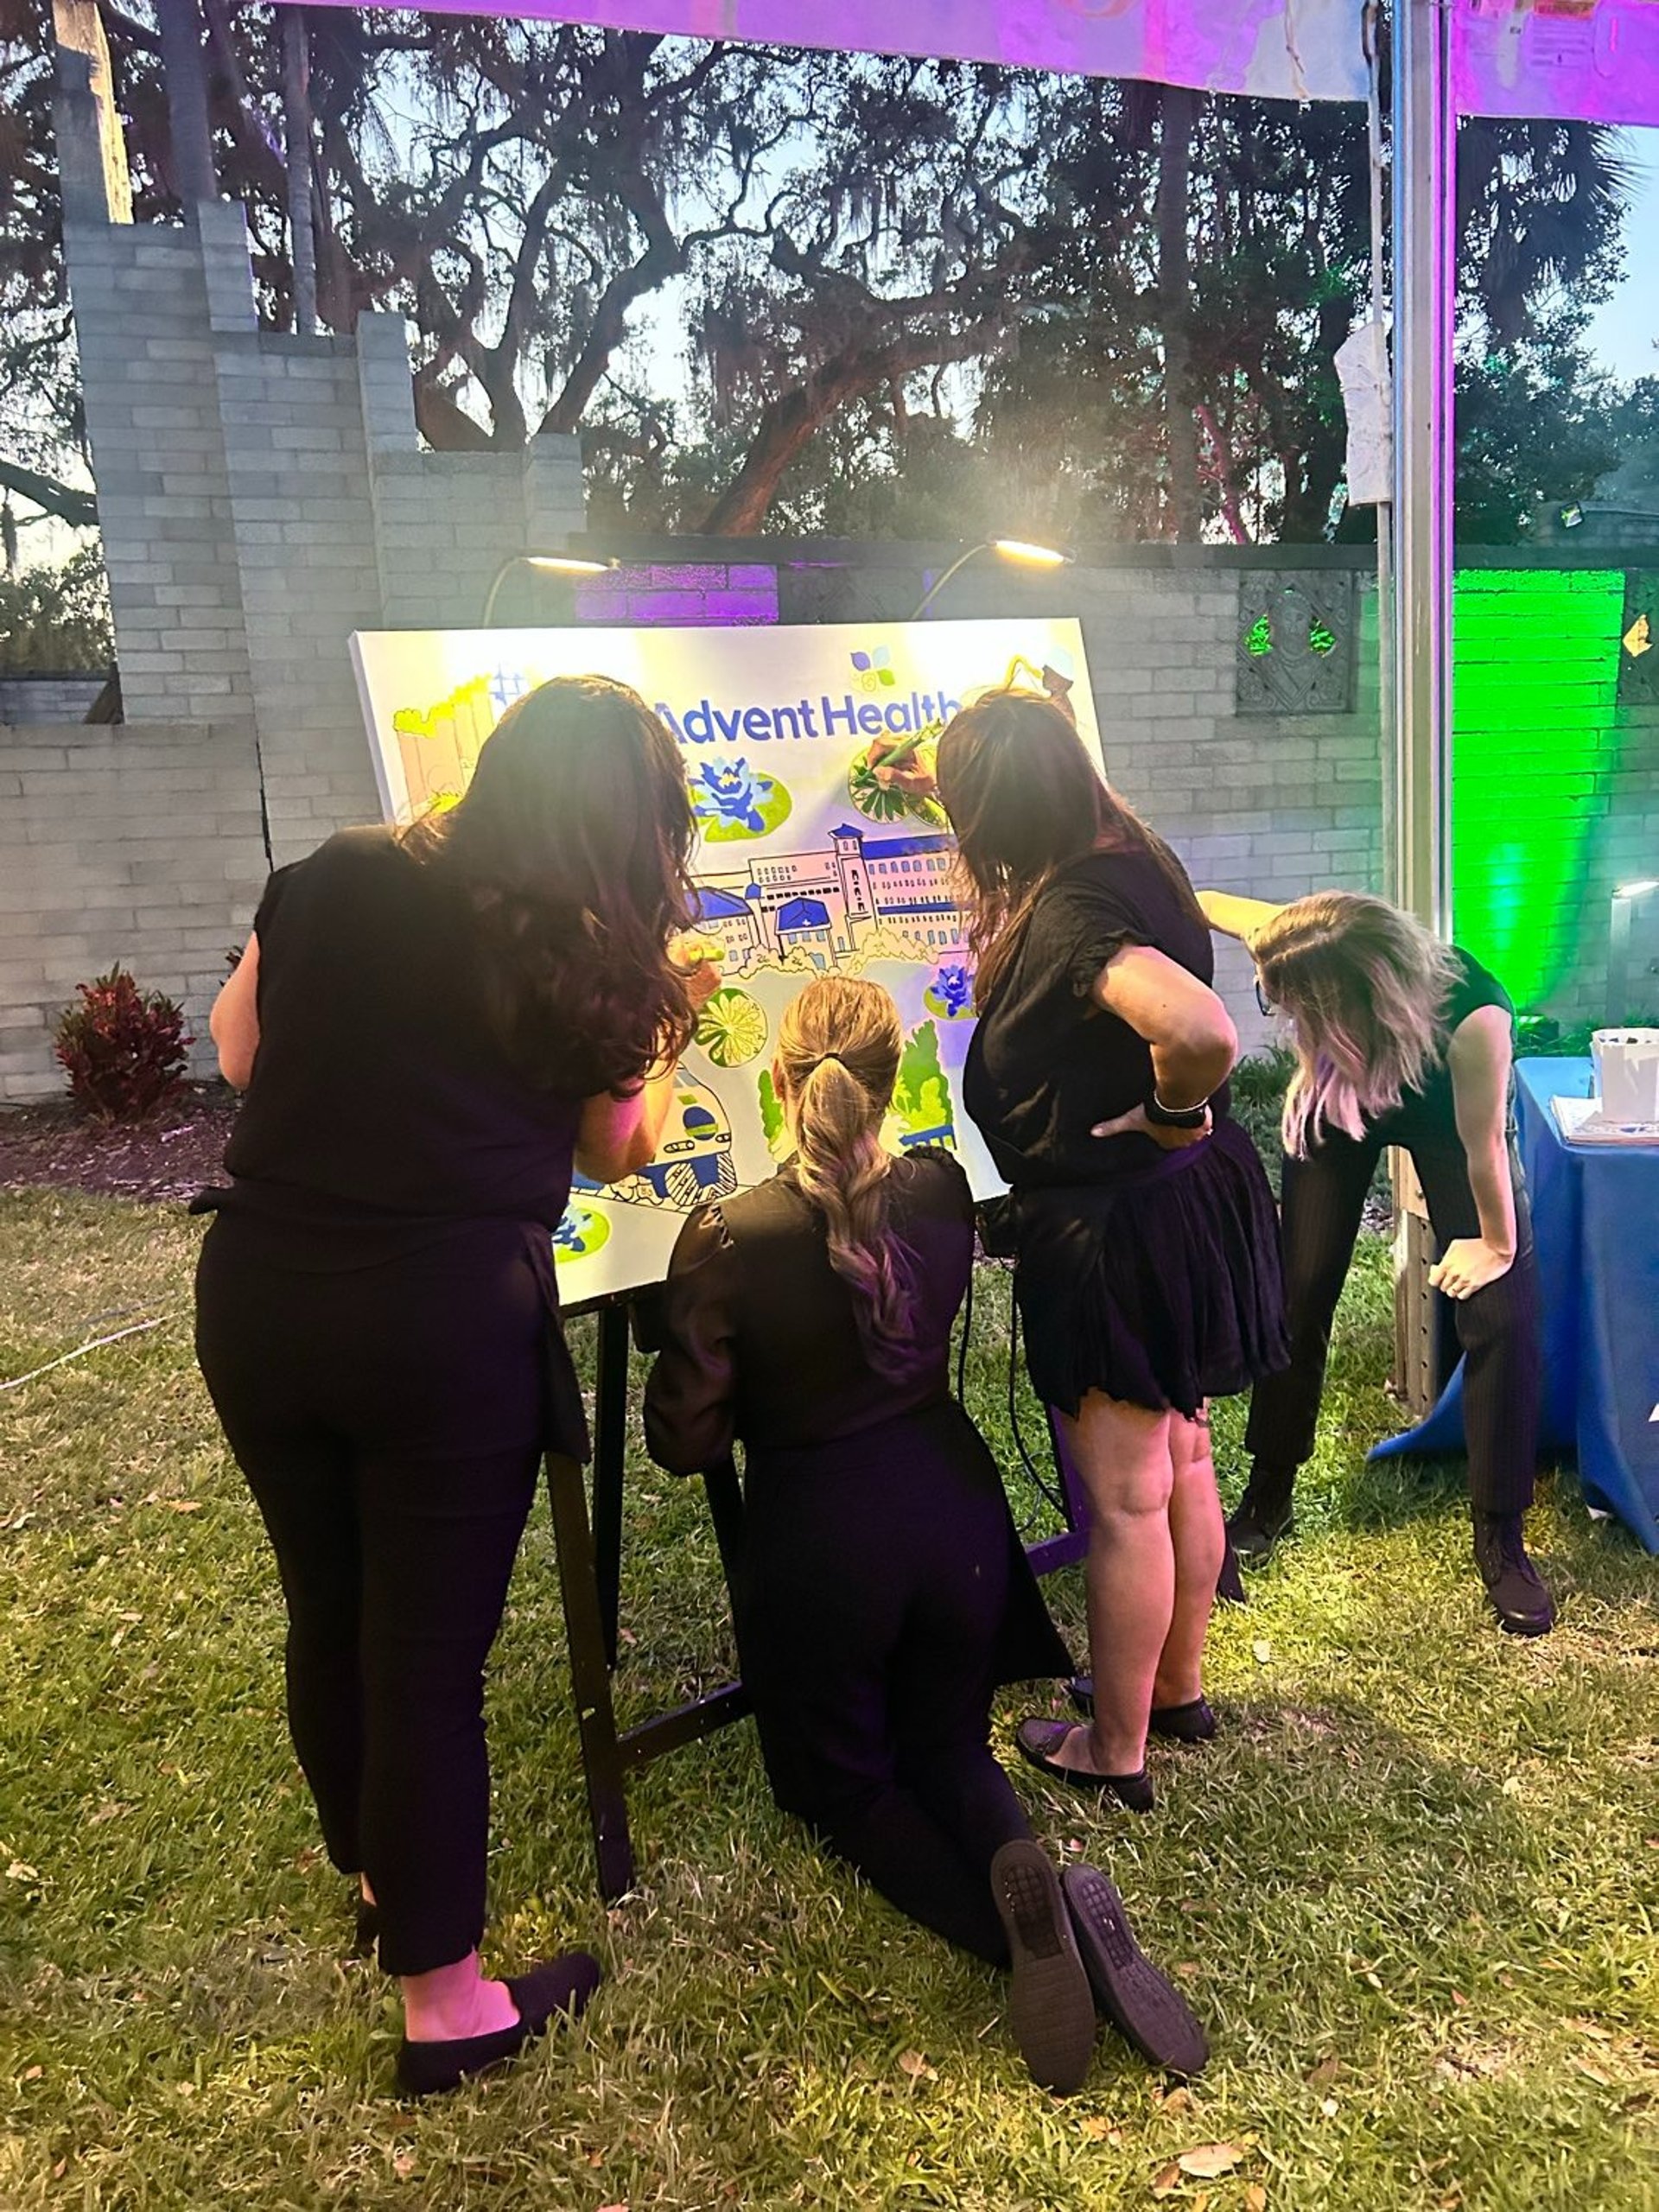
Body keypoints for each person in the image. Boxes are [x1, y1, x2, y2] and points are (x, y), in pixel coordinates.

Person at [194, 675, 720, 2096]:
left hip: (261, 1295)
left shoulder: (343, 868)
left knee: (331, 1608)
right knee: (426, 1665)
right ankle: (448, 2004)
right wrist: (665, 1041)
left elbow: (239, 1049)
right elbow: (619, 1150)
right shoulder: (594, 951)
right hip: (441, 1322)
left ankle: (380, 1881)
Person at [642, 975, 1209, 2090]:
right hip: (957, 1523)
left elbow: (684, 1442)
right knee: (945, 1745)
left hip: (821, 1544)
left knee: (845, 1787)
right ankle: (1040, 1888)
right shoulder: (945, 1192)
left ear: (777, 1085)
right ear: (899, 1081)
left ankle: (1019, 1937)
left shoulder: (724, 1234)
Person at [871, 695, 1287, 1811]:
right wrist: (933, 778)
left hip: (1117, 1232)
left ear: (1002, 817)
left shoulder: (1069, 923)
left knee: (1127, 1500)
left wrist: (1171, 1107)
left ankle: (1116, 1744)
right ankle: (1179, 1689)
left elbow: (1200, 1031)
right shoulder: (1125, 844)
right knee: (1181, 1461)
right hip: (1180, 1208)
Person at [1201, 887, 1552, 1636]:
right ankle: (1269, 1491)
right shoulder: (1300, 941)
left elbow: (1485, 1147)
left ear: (1350, 995)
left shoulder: (1474, 1015)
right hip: (1345, 1093)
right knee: (1297, 1293)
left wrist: (1493, 1245)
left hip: (1444, 1110)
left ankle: (1501, 1532)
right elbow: (1196, 897)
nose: (1287, 1019)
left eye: (1294, 1007)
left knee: (1502, 1308)